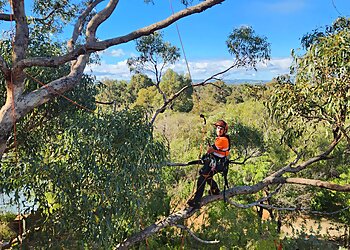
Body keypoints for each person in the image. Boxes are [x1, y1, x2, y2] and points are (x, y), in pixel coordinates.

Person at [187, 119, 230, 209]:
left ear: (224, 130)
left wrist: (209, 150)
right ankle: (215, 190)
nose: (219, 130)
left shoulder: (222, 140)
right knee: (206, 176)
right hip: (219, 163)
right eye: (218, 128)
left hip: (218, 164)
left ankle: (197, 201)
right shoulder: (222, 139)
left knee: (202, 178)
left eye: (221, 128)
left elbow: (210, 150)